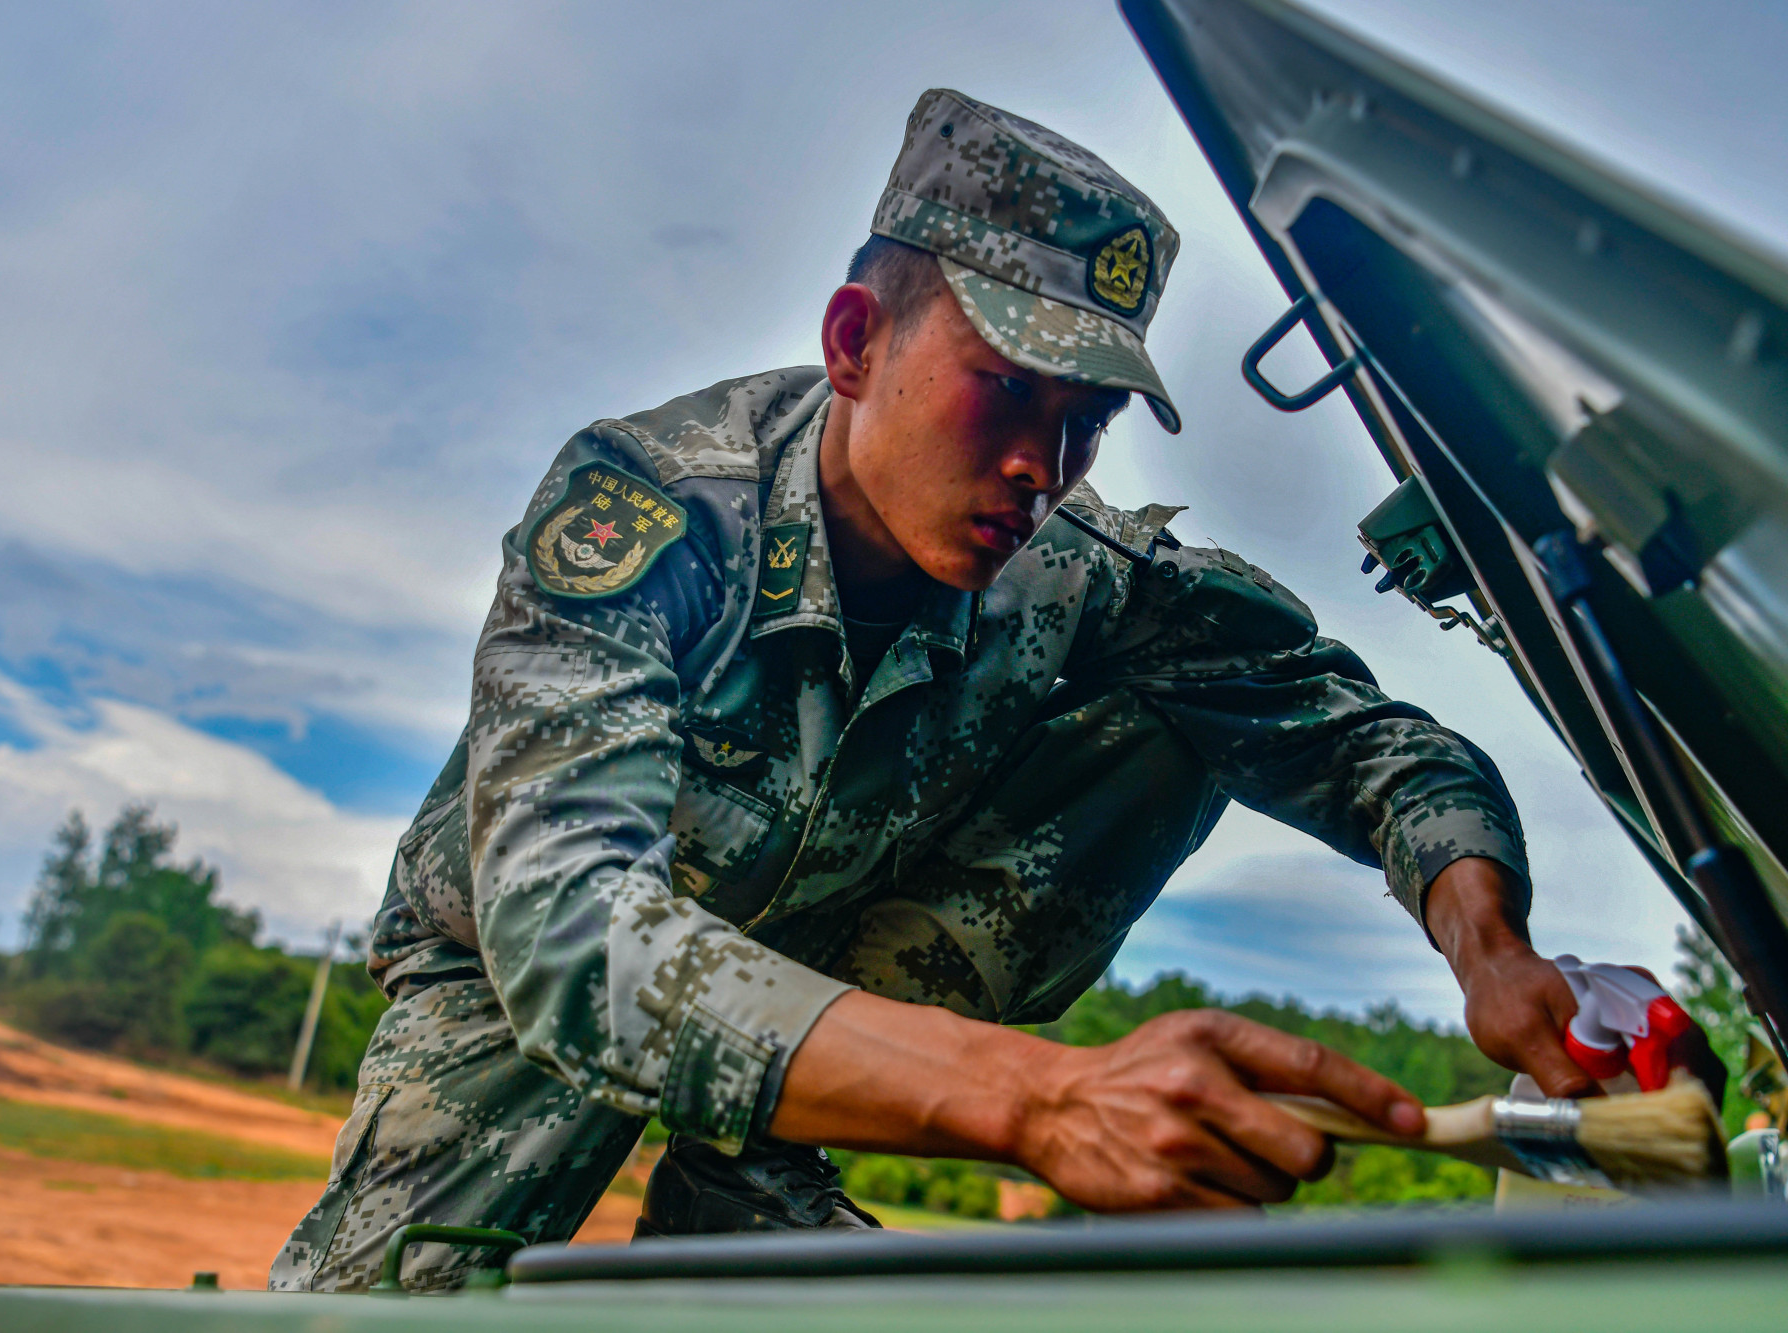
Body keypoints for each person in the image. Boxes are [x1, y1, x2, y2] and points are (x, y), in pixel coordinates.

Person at [271, 89, 1611, 1292]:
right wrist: (1033, 1098)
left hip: (833, 982)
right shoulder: (653, 513)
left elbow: (1371, 742)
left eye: (1088, 418)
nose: (1046, 463)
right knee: (399, 1308)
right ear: (856, 340)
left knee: (1189, 694)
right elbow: (566, 922)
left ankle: (753, 1195)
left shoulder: (1092, 577)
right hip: (526, 970)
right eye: (1008, 391)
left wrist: (1489, 945)